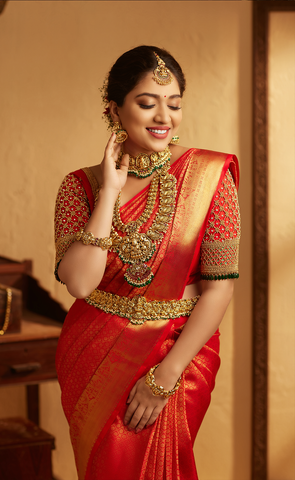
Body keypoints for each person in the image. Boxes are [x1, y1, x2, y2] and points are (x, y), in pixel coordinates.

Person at [54, 45, 240, 480]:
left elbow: (220, 288)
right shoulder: (78, 186)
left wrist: (165, 377)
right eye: (147, 103)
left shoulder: (210, 176)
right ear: (114, 110)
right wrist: (110, 193)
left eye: (174, 104)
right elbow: (80, 284)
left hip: (179, 353)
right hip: (94, 354)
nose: (164, 117)